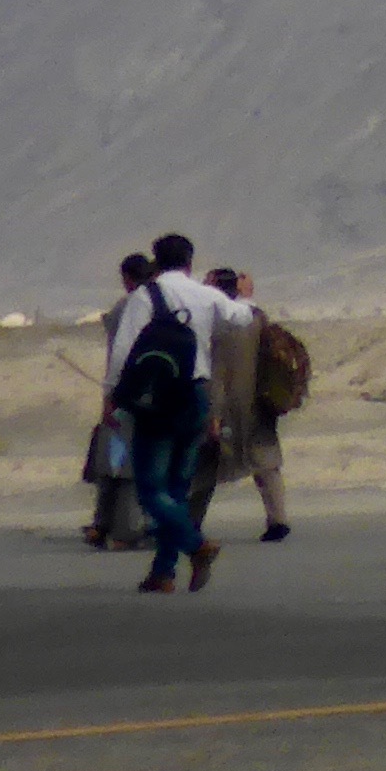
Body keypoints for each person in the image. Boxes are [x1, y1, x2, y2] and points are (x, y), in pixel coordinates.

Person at [103, 234, 237, 593]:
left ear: (156, 261)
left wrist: (111, 397)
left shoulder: (144, 297)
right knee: (177, 489)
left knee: (150, 490)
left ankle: (197, 545)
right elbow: (238, 316)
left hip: (157, 400)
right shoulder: (205, 294)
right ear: (190, 262)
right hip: (195, 396)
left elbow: (122, 352)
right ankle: (163, 573)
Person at [205, 265, 297, 545]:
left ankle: (186, 524)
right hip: (260, 401)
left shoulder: (222, 325)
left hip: (232, 406)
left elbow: (219, 371)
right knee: (266, 463)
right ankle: (277, 518)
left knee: (205, 466)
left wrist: (213, 411)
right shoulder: (256, 318)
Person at [82, 251, 151, 550]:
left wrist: (111, 394)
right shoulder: (153, 303)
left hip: (121, 396)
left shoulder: (129, 305)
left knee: (116, 462)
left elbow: (118, 348)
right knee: (124, 463)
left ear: (127, 279)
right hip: (146, 396)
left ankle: (110, 526)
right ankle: (114, 527)